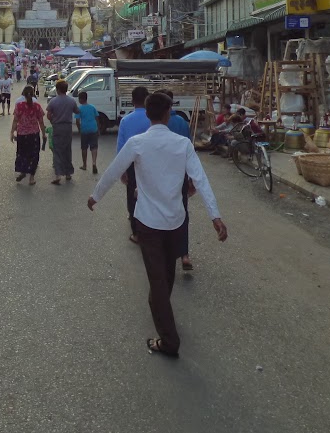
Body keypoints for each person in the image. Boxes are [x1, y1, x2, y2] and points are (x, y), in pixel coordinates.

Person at [88, 92, 228, 359]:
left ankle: (169, 340)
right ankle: (165, 322)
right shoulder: (182, 144)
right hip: (175, 221)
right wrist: (215, 216)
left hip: (148, 224)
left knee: (158, 282)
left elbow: (113, 171)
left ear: (149, 114)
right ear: (168, 113)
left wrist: (96, 196)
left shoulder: (137, 142)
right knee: (164, 276)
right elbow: (201, 180)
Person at [164, 90, 194, 271]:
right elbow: (190, 151)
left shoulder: (157, 124)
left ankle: (165, 253)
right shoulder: (182, 122)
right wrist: (191, 177)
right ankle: (184, 255)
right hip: (180, 175)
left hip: (160, 176)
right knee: (182, 212)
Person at [118, 86, 151, 243]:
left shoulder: (126, 120)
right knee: (150, 194)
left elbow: (121, 148)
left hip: (132, 164)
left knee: (132, 195)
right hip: (151, 164)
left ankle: (137, 232)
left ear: (132, 101)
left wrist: (122, 170)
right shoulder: (153, 119)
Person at [10, 85, 47, 185]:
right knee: (34, 155)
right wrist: (44, 134)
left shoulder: (19, 106)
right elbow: (41, 122)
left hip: (22, 134)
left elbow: (15, 120)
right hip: (34, 134)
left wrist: (12, 132)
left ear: (23, 94)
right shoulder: (37, 106)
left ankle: (23, 171)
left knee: (22, 154)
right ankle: (31, 178)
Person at [46, 79, 79, 185]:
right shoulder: (71, 101)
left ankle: (58, 175)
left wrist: (53, 121)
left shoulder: (53, 101)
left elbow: (48, 115)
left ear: (58, 89)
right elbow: (77, 111)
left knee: (57, 151)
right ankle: (68, 173)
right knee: (67, 150)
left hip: (57, 127)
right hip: (68, 127)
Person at [75, 91, 100, 174]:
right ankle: (94, 163)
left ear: (81, 99)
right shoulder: (92, 107)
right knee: (94, 147)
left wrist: (79, 129)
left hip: (84, 129)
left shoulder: (79, 109)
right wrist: (98, 129)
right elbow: (97, 118)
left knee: (84, 147)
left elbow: (77, 121)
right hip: (93, 128)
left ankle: (85, 165)